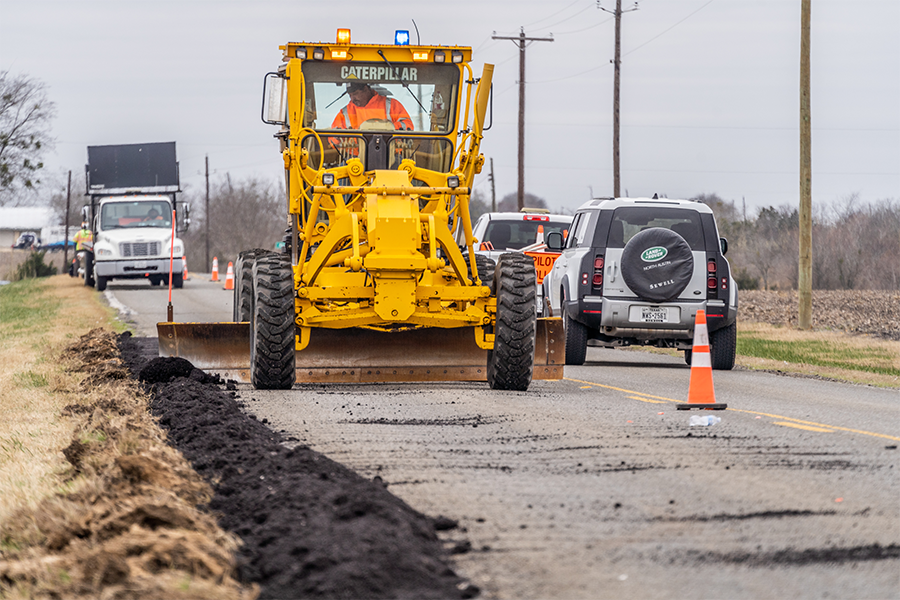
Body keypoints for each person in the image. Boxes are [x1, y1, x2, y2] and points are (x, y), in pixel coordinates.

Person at [331, 82, 414, 131]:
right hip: (354, 158)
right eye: (350, 95)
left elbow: (408, 126)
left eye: (355, 94)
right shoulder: (346, 112)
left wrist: (389, 128)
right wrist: (338, 138)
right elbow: (333, 137)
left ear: (366, 89)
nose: (352, 99)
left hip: (392, 156)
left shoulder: (391, 105)